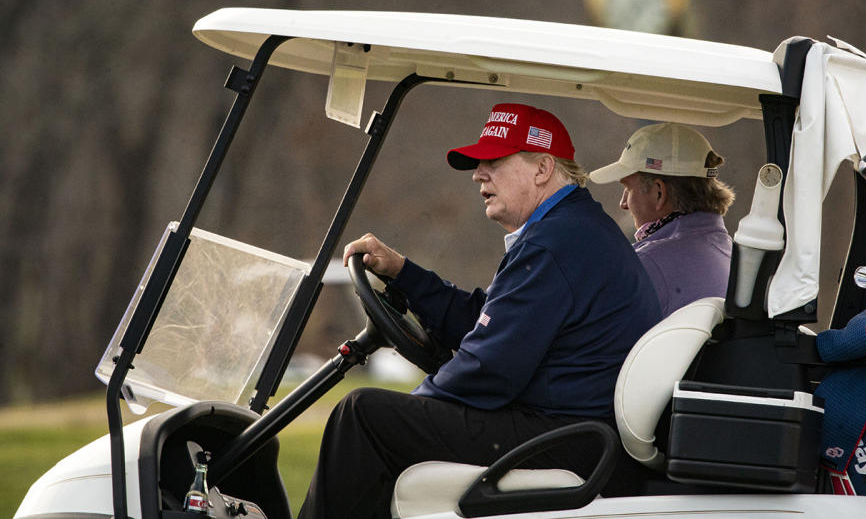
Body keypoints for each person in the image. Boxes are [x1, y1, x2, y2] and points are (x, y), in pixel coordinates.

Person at [299, 103, 661, 519]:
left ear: (542, 168)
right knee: (382, 416)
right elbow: (490, 321)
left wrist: (420, 403)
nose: (478, 174)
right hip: (573, 428)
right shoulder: (570, 229)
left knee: (361, 414)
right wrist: (403, 273)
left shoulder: (553, 244)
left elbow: (488, 371)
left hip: (569, 436)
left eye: (494, 161)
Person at [589, 122, 735, 318]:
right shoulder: (733, 253)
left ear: (659, 192)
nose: (623, 203)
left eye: (628, 189)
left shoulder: (645, 266)